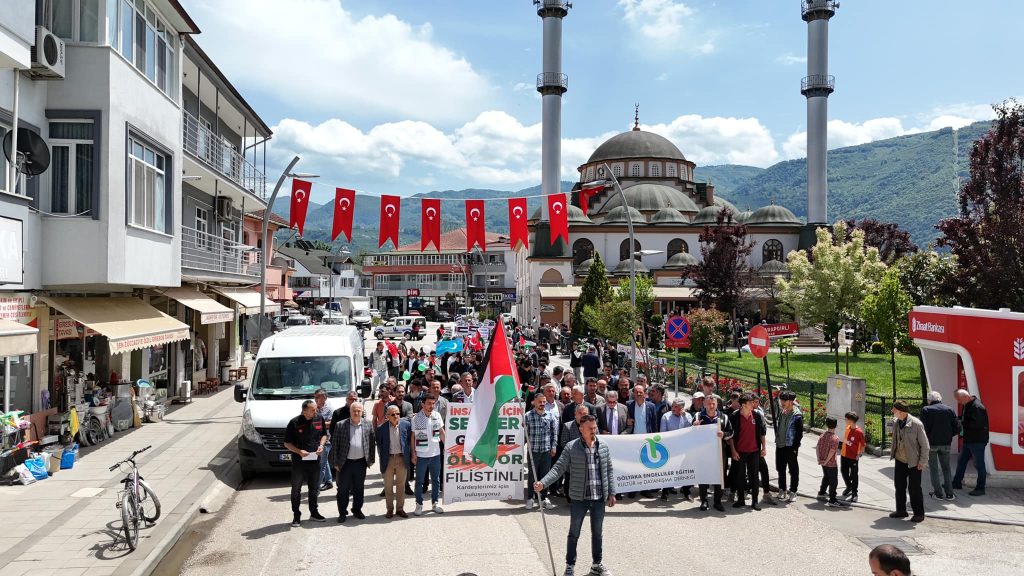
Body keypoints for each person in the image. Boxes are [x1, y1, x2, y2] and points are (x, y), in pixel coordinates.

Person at [535, 415, 615, 576]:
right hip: (579, 498)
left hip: (599, 497)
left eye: (595, 428)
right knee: (574, 533)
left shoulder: (604, 446)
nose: (594, 431)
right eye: (590, 429)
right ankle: (570, 565)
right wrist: (543, 483)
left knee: (597, 532)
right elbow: (558, 468)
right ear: (581, 429)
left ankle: (597, 564)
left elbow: (609, 470)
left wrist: (612, 492)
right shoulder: (571, 448)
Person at [284, 400, 328, 526]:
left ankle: (314, 513)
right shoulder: (294, 423)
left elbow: (324, 434)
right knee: (296, 489)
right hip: (299, 462)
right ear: (304, 411)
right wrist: (299, 451)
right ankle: (296, 516)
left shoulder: (319, 418)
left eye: (316, 409)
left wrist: (321, 445)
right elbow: (287, 443)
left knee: (314, 489)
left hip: (315, 461)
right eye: (313, 410)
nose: (316, 411)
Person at [330, 402, 375, 523]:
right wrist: (335, 463)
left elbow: (371, 443)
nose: (356, 413)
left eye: (358, 411)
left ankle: (357, 509)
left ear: (362, 412)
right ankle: (342, 513)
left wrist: (370, 460)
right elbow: (335, 445)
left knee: (359, 488)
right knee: (343, 490)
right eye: (354, 411)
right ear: (350, 412)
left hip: (361, 463)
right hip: (345, 463)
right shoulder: (340, 425)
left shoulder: (368, 424)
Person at [889, 400, 930, 523]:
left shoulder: (916, 424)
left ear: (901, 412)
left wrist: (923, 461)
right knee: (899, 486)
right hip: (900, 459)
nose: (892, 411)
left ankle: (919, 514)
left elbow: (925, 445)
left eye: (894, 409)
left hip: (914, 462)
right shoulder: (897, 422)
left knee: (914, 488)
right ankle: (901, 510)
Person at [728, 393, 767, 510]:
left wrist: (764, 448)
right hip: (740, 451)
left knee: (754, 476)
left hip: (754, 451)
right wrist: (733, 452)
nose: (753, 404)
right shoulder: (734, 417)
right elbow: (730, 436)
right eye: (750, 403)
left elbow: (762, 433)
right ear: (743, 405)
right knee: (740, 476)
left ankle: (755, 501)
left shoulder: (757, 415)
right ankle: (741, 500)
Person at [919, 390, 960, 500]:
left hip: (931, 444)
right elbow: (957, 427)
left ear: (929, 400)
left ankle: (938, 494)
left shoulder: (926, 410)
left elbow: (922, 428)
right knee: (946, 469)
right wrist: (949, 435)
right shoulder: (949, 409)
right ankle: (950, 494)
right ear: (940, 399)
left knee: (934, 469)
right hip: (946, 443)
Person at [694, 395, 732, 512]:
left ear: (717, 404)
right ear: (704, 404)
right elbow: (690, 434)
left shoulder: (724, 417)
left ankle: (717, 502)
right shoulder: (698, 416)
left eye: (713, 404)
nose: (711, 406)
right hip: (703, 453)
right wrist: (694, 427)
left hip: (719, 452)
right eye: (709, 404)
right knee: (703, 477)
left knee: (719, 478)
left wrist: (724, 435)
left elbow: (731, 432)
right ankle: (704, 501)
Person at [411, 395, 446, 516]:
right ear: (423, 404)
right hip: (421, 455)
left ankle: (435, 503)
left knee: (436, 480)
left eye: (433, 403)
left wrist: (447, 446)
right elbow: (413, 436)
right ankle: (419, 504)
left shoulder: (437, 415)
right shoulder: (416, 418)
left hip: (435, 454)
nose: (431, 406)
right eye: (429, 403)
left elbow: (441, 432)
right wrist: (413, 453)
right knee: (419, 481)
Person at [375, 405, 411, 518]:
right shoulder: (381, 428)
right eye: (393, 414)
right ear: (387, 416)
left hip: (401, 458)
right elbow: (380, 445)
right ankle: (389, 509)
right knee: (388, 486)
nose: (396, 416)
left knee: (401, 486)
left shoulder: (406, 425)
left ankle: (400, 509)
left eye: (398, 414)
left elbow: (409, 441)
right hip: (388, 459)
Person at [525, 392, 559, 510]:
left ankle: (544, 498)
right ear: (534, 402)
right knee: (532, 475)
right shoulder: (528, 416)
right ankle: (530, 498)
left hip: (546, 451)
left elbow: (554, 433)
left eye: (544, 402)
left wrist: (554, 446)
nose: (542, 404)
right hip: (533, 451)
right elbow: (523, 434)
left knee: (545, 475)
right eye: (540, 402)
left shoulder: (550, 416)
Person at [953, 389, 989, 496]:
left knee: (979, 464)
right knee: (961, 461)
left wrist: (962, 422)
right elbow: (966, 418)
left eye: (959, 400)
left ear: (966, 397)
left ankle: (980, 488)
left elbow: (977, 425)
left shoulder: (978, 407)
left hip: (977, 440)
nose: (959, 402)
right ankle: (956, 483)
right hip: (968, 439)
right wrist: (957, 419)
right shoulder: (967, 404)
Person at [626, 384, 658, 498]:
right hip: (633, 440)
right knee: (633, 466)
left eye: (641, 392)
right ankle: (633, 488)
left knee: (646, 466)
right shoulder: (628, 405)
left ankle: (645, 489)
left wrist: (654, 439)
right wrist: (627, 422)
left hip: (647, 440)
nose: (638, 394)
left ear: (645, 393)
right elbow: (625, 422)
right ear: (633, 394)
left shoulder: (651, 406)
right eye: (636, 392)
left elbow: (654, 424)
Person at [659, 398, 693, 501]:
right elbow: (663, 433)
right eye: (673, 406)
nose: (673, 408)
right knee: (669, 470)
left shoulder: (687, 416)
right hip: (671, 448)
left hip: (684, 448)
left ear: (682, 408)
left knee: (686, 470)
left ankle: (686, 491)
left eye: (676, 407)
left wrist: (684, 417)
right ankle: (665, 491)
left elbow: (691, 429)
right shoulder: (666, 416)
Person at [775, 390, 804, 503]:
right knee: (780, 468)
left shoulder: (797, 416)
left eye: (784, 400)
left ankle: (793, 491)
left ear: (791, 401)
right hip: (780, 444)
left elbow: (799, 434)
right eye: (781, 399)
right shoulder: (783, 411)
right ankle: (782, 489)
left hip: (790, 446)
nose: (782, 402)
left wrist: (794, 448)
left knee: (793, 469)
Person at [816, 416, 847, 507]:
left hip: (822, 461)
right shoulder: (835, 438)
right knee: (833, 481)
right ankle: (832, 500)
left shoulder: (822, 435)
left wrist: (819, 459)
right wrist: (826, 461)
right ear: (836, 426)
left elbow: (817, 447)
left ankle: (822, 492)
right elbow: (832, 451)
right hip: (831, 463)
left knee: (826, 476)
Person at [840, 411, 866, 502]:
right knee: (844, 472)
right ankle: (849, 487)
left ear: (851, 421)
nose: (845, 420)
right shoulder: (847, 428)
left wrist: (859, 454)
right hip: (844, 455)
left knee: (854, 475)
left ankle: (854, 493)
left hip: (853, 457)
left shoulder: (859, 432)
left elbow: (863, 445)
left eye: (846, 419)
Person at [313, 389, 334, 491]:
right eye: (315, 396)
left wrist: (316, 423)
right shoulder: (313, 408)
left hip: (326, 440)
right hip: (315, 440)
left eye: (318, 397)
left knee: (321, 464)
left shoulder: (330, 409)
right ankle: (329, 481)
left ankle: (315, 488)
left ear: (324, 398)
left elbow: (330, 423)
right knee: (324, 462)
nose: (315, 399)